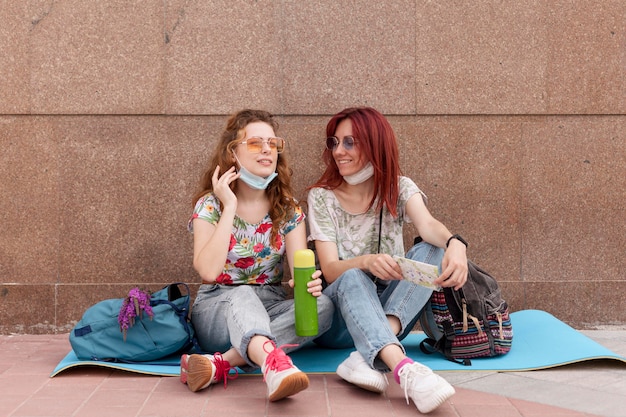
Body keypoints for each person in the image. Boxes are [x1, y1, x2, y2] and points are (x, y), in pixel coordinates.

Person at [307, 107, 468, 414]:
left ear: (375, 144)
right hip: (341, 320)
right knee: (352, 276)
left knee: (433, 249)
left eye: (349, 143)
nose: (338, 151)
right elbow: (329, 269)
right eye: (335, 142)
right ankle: (405, 371)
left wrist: (456, 244)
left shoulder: (399, 187)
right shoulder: (322, 197)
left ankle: (367, 354)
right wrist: (365, 262)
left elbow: (429, 226)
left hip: (392, 311)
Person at [182, 109, 334, 402]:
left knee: (324, 306)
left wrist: (309, 284)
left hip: (270, 305)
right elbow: (208, 272)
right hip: (218, 307)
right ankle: (272, 365)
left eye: (272, 143)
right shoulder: (210, 206)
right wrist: (229, 206)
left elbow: (299, 269)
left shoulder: (287, 209)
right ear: (232, 154)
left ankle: (222, 362)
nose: (267, 149)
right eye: (254, 143)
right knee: (242, 294)